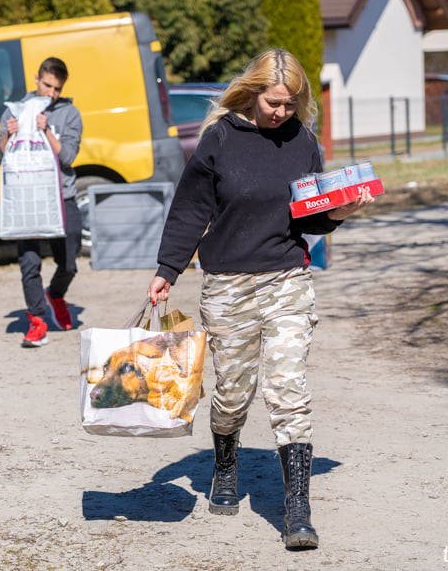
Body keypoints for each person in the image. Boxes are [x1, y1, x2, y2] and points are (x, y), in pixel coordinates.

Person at [146, 49, 373, 549]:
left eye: (291, 105)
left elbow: (309, 218)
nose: (281, 113)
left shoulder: (303, 141)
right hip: (228, 285)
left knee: (289, 389)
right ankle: (224, 465)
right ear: (252, 93)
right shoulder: (219, 140)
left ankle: (297, 512)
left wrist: (339, 214)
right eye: (274, 103)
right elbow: (190, 212)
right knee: (232, 393)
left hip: (288, 280)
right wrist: (168, 270)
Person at [0, 57, 83, 347]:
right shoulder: (15, 110)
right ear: (36, 79)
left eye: (57, 89)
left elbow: (68, 157)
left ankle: (55, 294)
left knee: (69, 262)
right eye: (47, 85)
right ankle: (36, 321)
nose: (51, 93)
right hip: (26, 200)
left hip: (61, 196)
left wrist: (45, 130)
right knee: (29, 262)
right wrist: (9, 133)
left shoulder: (69, 114)